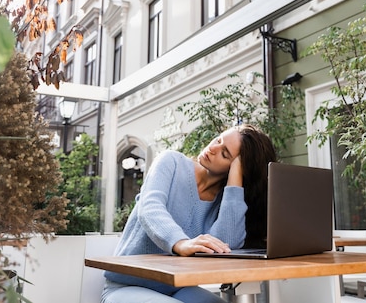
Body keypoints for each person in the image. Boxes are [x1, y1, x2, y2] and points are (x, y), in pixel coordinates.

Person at [101, 124, 277, 303]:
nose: (213, 148)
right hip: (126, 287)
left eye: (225, 154)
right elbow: (150, 208)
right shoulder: (171, 161)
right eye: (218, 140)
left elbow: (224, 246)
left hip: (178, 289)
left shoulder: (226, 201)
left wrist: (235, 182)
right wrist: (180, 243)